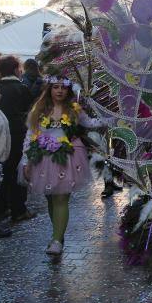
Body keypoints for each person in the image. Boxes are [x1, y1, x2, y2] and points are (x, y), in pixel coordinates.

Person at [20, 76, 103, 255]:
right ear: (49, 89)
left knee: (61, 198)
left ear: (68, 90)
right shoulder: (40, 109)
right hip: (43, 159)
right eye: (55, 87)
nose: (59, 91)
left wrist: (111, 118)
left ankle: (57, 240)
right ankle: (57, 233)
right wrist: (26, 161)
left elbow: (90, 123)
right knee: (51, 198)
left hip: (67, 158)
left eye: (63, 88)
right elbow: (30, 135)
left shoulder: (74, 109)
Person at [0, 56, 34, 222]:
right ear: (16, 69)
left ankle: (1, 207)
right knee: (18, 170)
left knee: (3, 170)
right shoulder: (21, 88)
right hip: (18, 133)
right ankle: (19, 209)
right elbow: (30, 110)